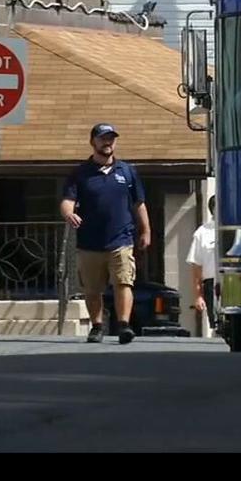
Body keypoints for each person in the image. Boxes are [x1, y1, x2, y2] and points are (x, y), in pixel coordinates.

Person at [60, 123, 151, 345]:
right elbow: (67, 201)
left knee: (123, 282)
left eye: (111, 138)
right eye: (102, 138)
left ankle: (123, 326)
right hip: (90, 241)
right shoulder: (81, 173)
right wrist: (69, 214)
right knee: (92, 289)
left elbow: (139, 204)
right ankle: (97, 326)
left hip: (121, 239)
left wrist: (146, 230)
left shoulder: (127, 172)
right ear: (93, 142)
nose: (107, 142)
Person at [186, 195, 218, 331]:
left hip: (235, 280)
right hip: (212, 284)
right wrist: (198, 296)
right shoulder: (202, 233)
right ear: (213, 209)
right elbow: (196, 266)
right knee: (216, 325)